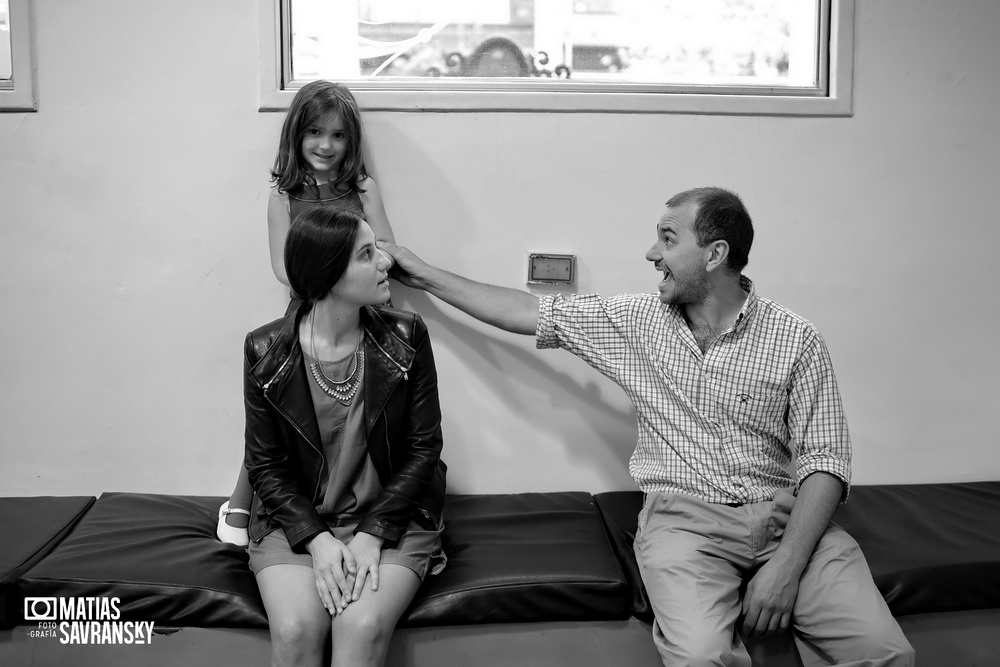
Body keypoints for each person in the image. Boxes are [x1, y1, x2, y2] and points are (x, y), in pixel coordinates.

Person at [378, 187, 914, 666]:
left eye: (667, 238)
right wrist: (420, 271)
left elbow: (826, 463)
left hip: (784, 519)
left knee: (886, 654)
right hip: (685, 523)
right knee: (702, 656)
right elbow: (526, 312)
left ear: (714, 254)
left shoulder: (796, 339)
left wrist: (788, 567)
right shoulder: (636, 321)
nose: (651, 253)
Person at [242, 206, 447, 667]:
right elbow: (266, 465)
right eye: (367, 254)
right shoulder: (264, 350)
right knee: (296, 631)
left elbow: (423, 450)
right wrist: (316, 539)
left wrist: (373, 535)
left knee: (360, 625)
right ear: (329, 274)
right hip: (297, 521)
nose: (385, 263)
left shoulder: (406, 335)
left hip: (393, 517)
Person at [218, 80, 397, 545]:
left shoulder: (362, 188)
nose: (326, 145)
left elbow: (387, 249)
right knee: (280, 410)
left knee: (365, 415)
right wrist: (328, 282)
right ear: (296, 134)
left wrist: (356, 280)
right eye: (316, 132)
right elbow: (283, 267)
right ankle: (241, 499)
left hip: (364, 317)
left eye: (338, 136)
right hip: (308, 315)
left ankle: (359, 498)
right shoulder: (283, 196)